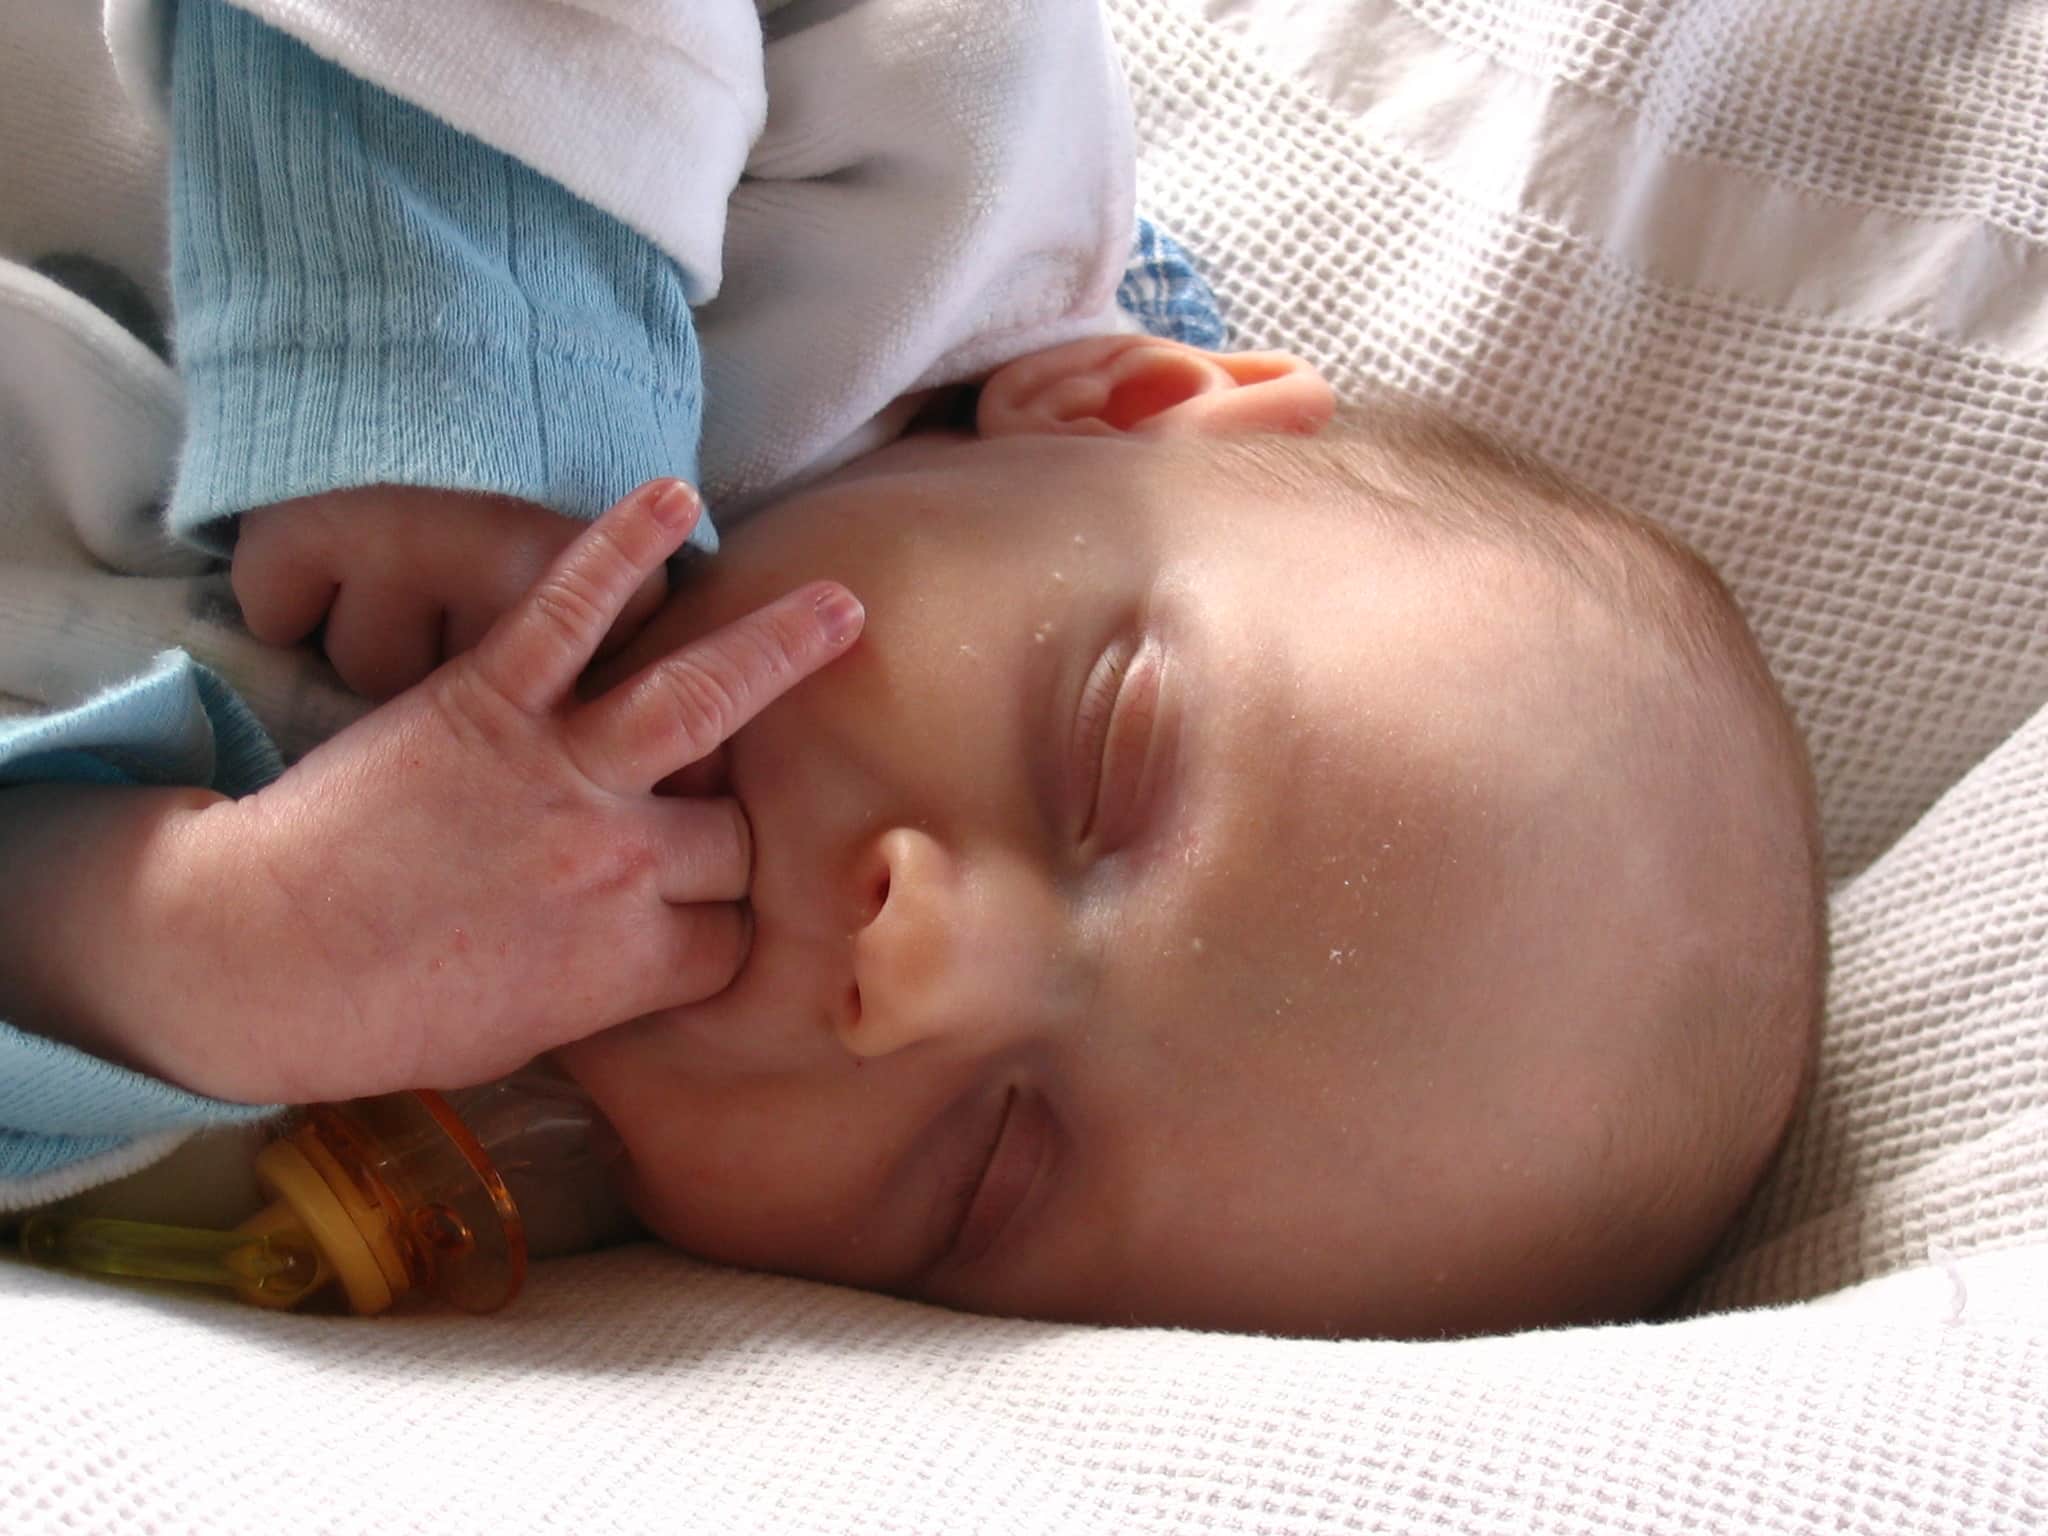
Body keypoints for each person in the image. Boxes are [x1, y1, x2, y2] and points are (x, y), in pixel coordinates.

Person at [0, 0, 1825, 1337]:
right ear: (1120, 413)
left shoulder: (428, 1140)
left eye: (991, 1169)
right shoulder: (913, 182)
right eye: (1105, 761)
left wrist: (192, 950)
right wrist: (448, 333)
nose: (916, 963)